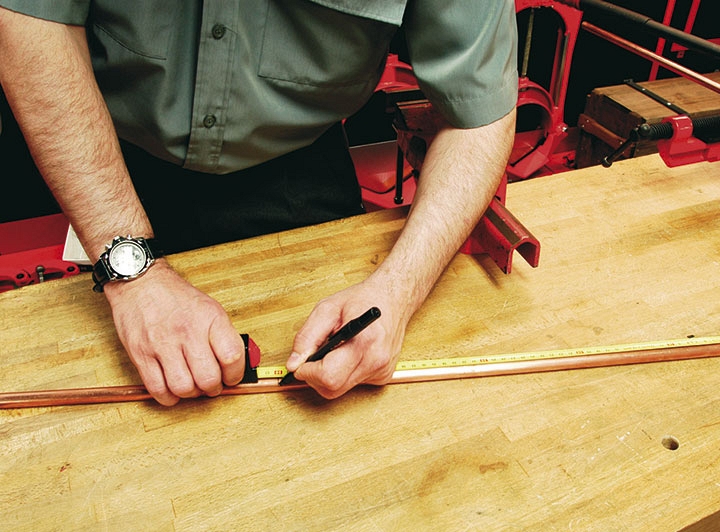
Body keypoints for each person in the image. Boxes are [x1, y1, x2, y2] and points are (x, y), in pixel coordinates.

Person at [0, 1, 518, 405]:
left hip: (298, 160)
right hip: (95, 147)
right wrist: (130, 273)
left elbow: (479, 114)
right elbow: (30, 20)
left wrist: (398, 292)